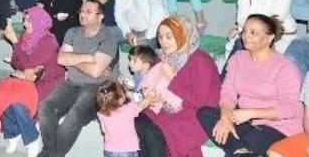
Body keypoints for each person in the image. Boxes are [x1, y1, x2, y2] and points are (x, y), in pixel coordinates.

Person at [198, 14, 303, 157]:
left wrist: (250, 113)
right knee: (205, 113)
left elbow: (288, 109)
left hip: (278, 126)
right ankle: (241, 150)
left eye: (253, 33)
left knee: (243, 145)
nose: (246, 36)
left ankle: (239, 150)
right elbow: (228, 92)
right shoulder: (238, 58)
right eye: (245, 31)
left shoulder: (285, 67)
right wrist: (225, 118)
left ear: (269, 38)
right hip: (246, 121)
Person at [38, 0, 118, 157]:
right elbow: (61, 59)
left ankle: (49, 155)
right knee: (45, 107)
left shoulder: (108, 36)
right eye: (81, 11)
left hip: (98, 87)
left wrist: (73, 60)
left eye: (88, 12)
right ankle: (50, 153)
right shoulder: (72, 32)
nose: (82, 14)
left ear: (100, 16)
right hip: (72, 83)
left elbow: (96, 72)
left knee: (75, 114)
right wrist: (89, 57)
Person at [135, 16, 221, 157]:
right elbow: (153, 85)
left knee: (153, 132)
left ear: (184, 35)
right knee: (137, 122)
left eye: (169, 36)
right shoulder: (163, 57)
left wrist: (172, 78)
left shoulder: (200, 60)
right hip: (165, 108)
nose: (163, 42)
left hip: (196, 116)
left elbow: (199, 102)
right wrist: (152, 97)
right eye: (160, 37)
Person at [96, 80, 156, 157]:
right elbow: (143, 104)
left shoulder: (101, 113)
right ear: (120, 99)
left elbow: (104, 130)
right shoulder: (128, 109)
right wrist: (149, 97)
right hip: (128, 150)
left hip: (110, 150)